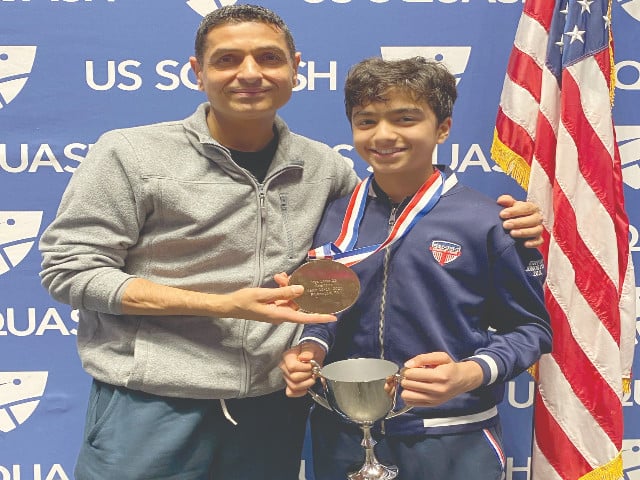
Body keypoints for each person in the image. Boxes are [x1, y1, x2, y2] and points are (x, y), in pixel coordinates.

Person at [39, 5, 544, 480]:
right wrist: (221, 304)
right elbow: (68, 270)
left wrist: (509, 224)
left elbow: (345, 279)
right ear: (197, 70)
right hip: (154, 404)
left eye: (269, 57)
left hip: (272, 407)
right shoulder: (131, 154)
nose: (250, 72)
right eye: (228, 59)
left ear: (295, 69)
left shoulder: (326, 170)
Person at [279, 56, 552, 480]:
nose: (383, 135)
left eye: (405, 118)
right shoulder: (334, 216)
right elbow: (323, 309)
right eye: (366, 121)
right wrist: (311, 348)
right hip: (343, 435)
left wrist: (468, 373)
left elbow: (531, 331)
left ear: (443, 127)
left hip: (451, 436)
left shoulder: (490, 221)